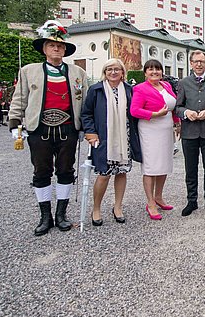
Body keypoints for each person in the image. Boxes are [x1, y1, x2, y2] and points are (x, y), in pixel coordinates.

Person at [8, 20, 88, 236]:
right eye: (52, 45)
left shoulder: (78, 73)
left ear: (65, 50)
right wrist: (15, 123)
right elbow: (19, 100)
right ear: (44, 48)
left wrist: (86, 126)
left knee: (66, 171)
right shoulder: (28, 71)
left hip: (68, 129)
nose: (56, 48)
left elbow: (85, 101)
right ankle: (45, 217)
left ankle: (61, 214)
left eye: (60, 46)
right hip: (39, 129)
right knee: (41, 172)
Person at [81, 59, 142, 226]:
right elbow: (86, 114)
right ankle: (96, 209)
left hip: (125, 138)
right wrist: (90, 132)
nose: (113, 72)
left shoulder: (130, 90)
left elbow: (136, 111)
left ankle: (117, 207)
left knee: (121, 172)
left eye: (116, 69)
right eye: (109, 69)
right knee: (103, 174)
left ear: (122, 72)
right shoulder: (96, 90)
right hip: (104, 138)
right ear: (105, 72)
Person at [130, 59, 179, 220]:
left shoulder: (166, 86)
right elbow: (134, 110)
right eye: (150, 69)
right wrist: (154, 115)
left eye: (157, 69)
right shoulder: (140, 89)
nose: (154, 72)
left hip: (166, 128)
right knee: (151, 166)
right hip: (150, 129)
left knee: (163, 164)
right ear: (145, 73)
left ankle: (159, 196)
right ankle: (150, 202)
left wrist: (177, 123)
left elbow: (172, 107)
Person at [175, 50, 205, 216]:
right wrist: (186, 113)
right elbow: (178, 107)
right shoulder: (184, 82)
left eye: (202, 61)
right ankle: (191, 201)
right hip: (189, 132)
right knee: (190, 169)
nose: (199, 64)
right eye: (196, 61)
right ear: (191, 63)